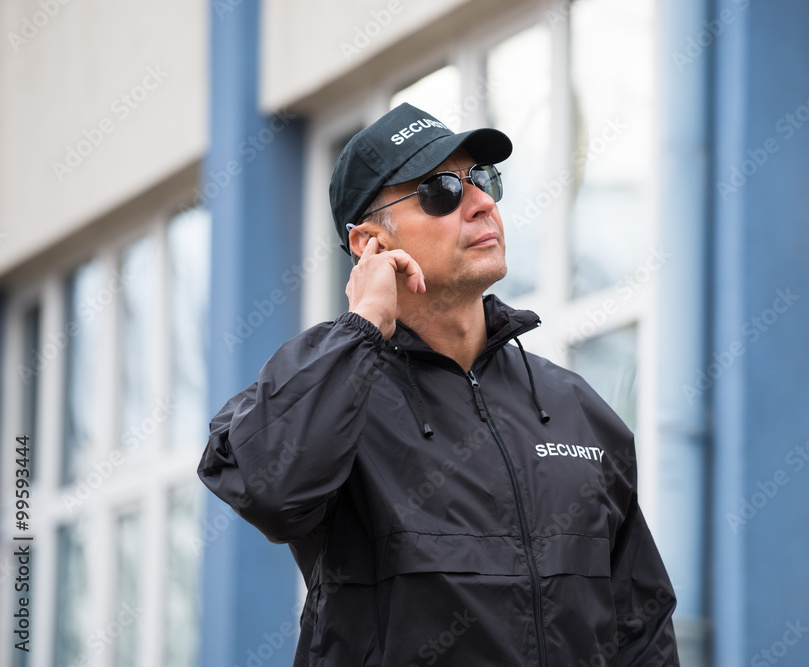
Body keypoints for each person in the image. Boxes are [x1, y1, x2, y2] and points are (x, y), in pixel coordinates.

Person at [198, 102, 680, 666]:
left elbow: (641, 628)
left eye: (483, 179)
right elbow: (273, 494)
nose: (481, 203)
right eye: (441, 190)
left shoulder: (574, 407)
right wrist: (362, 327)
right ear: (368, 243)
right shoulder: (329, 388)